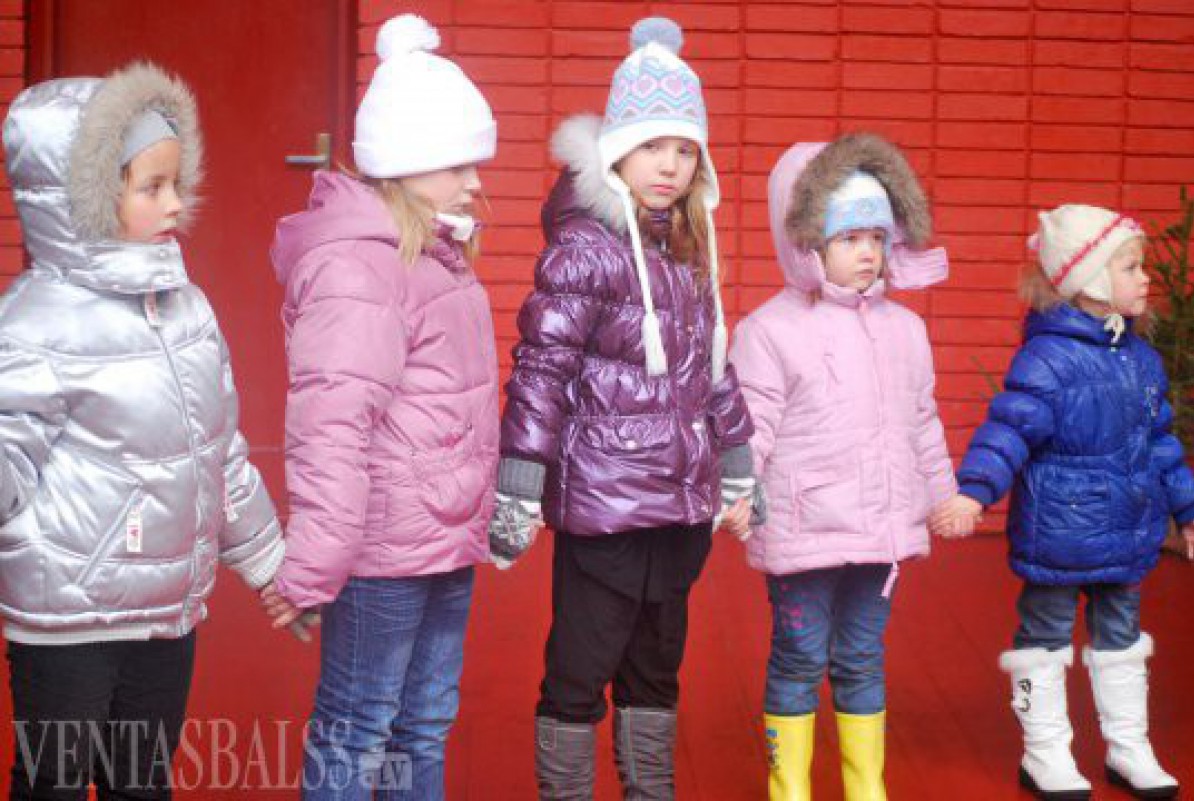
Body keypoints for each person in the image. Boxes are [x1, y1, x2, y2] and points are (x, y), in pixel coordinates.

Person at [486, 17, 759, 800]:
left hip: (678, 511)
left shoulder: (689, 251)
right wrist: (520, 480)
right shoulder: (585, 251)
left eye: (685, 150)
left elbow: (714, 370)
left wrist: (739, 465)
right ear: (616, 154)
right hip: (605, 510)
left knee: (655, 670)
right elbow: (541, 367)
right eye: (652, 147)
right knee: (580, 672)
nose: (669, 165)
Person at [0, 62, 284, 799]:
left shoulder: (187, 308)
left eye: (175, 183)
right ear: (85, 197)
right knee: (54, 781)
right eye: (150, 187)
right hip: (67, 618)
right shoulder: (34, 325)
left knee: (142, 780)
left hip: (164, 612)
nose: (174, 203)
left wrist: (269, 563)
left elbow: (219, 451)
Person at [259, 14, 500, 800]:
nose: (475, 182)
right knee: (359, 728)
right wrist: (314, 565)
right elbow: (332, 426)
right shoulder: (358, 269)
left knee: (422, 724)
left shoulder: (436, 256)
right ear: (406, 162)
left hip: (442, 540)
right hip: (381, 554)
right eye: (459, 164)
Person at [933, 204, 1194, 800]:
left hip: (1127, 529)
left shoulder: (1141, 359)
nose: (1146, 279)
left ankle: (1129, 747)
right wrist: (974, 492)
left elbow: (1160, 442)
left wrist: (1189, 509)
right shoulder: (1047, 359)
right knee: (1046, 633)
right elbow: (1009, 430)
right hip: (1060, 531)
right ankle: (1045, 751)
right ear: (1091, 282)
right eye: (1131, 267)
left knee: (1122, 634)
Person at [728, 134, 957, 801]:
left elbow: (921, 420)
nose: (868, 252)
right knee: (800, 656)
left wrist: (942, 494)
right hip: (804, 528)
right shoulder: (770, 330)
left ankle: (866, 787)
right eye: (850, 237)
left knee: (861, 657)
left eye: (878, 237)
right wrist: (737, 489)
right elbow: (750, 422)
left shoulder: (905, 330)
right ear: (806, 243)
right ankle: (789, 787)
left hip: (878, 530)